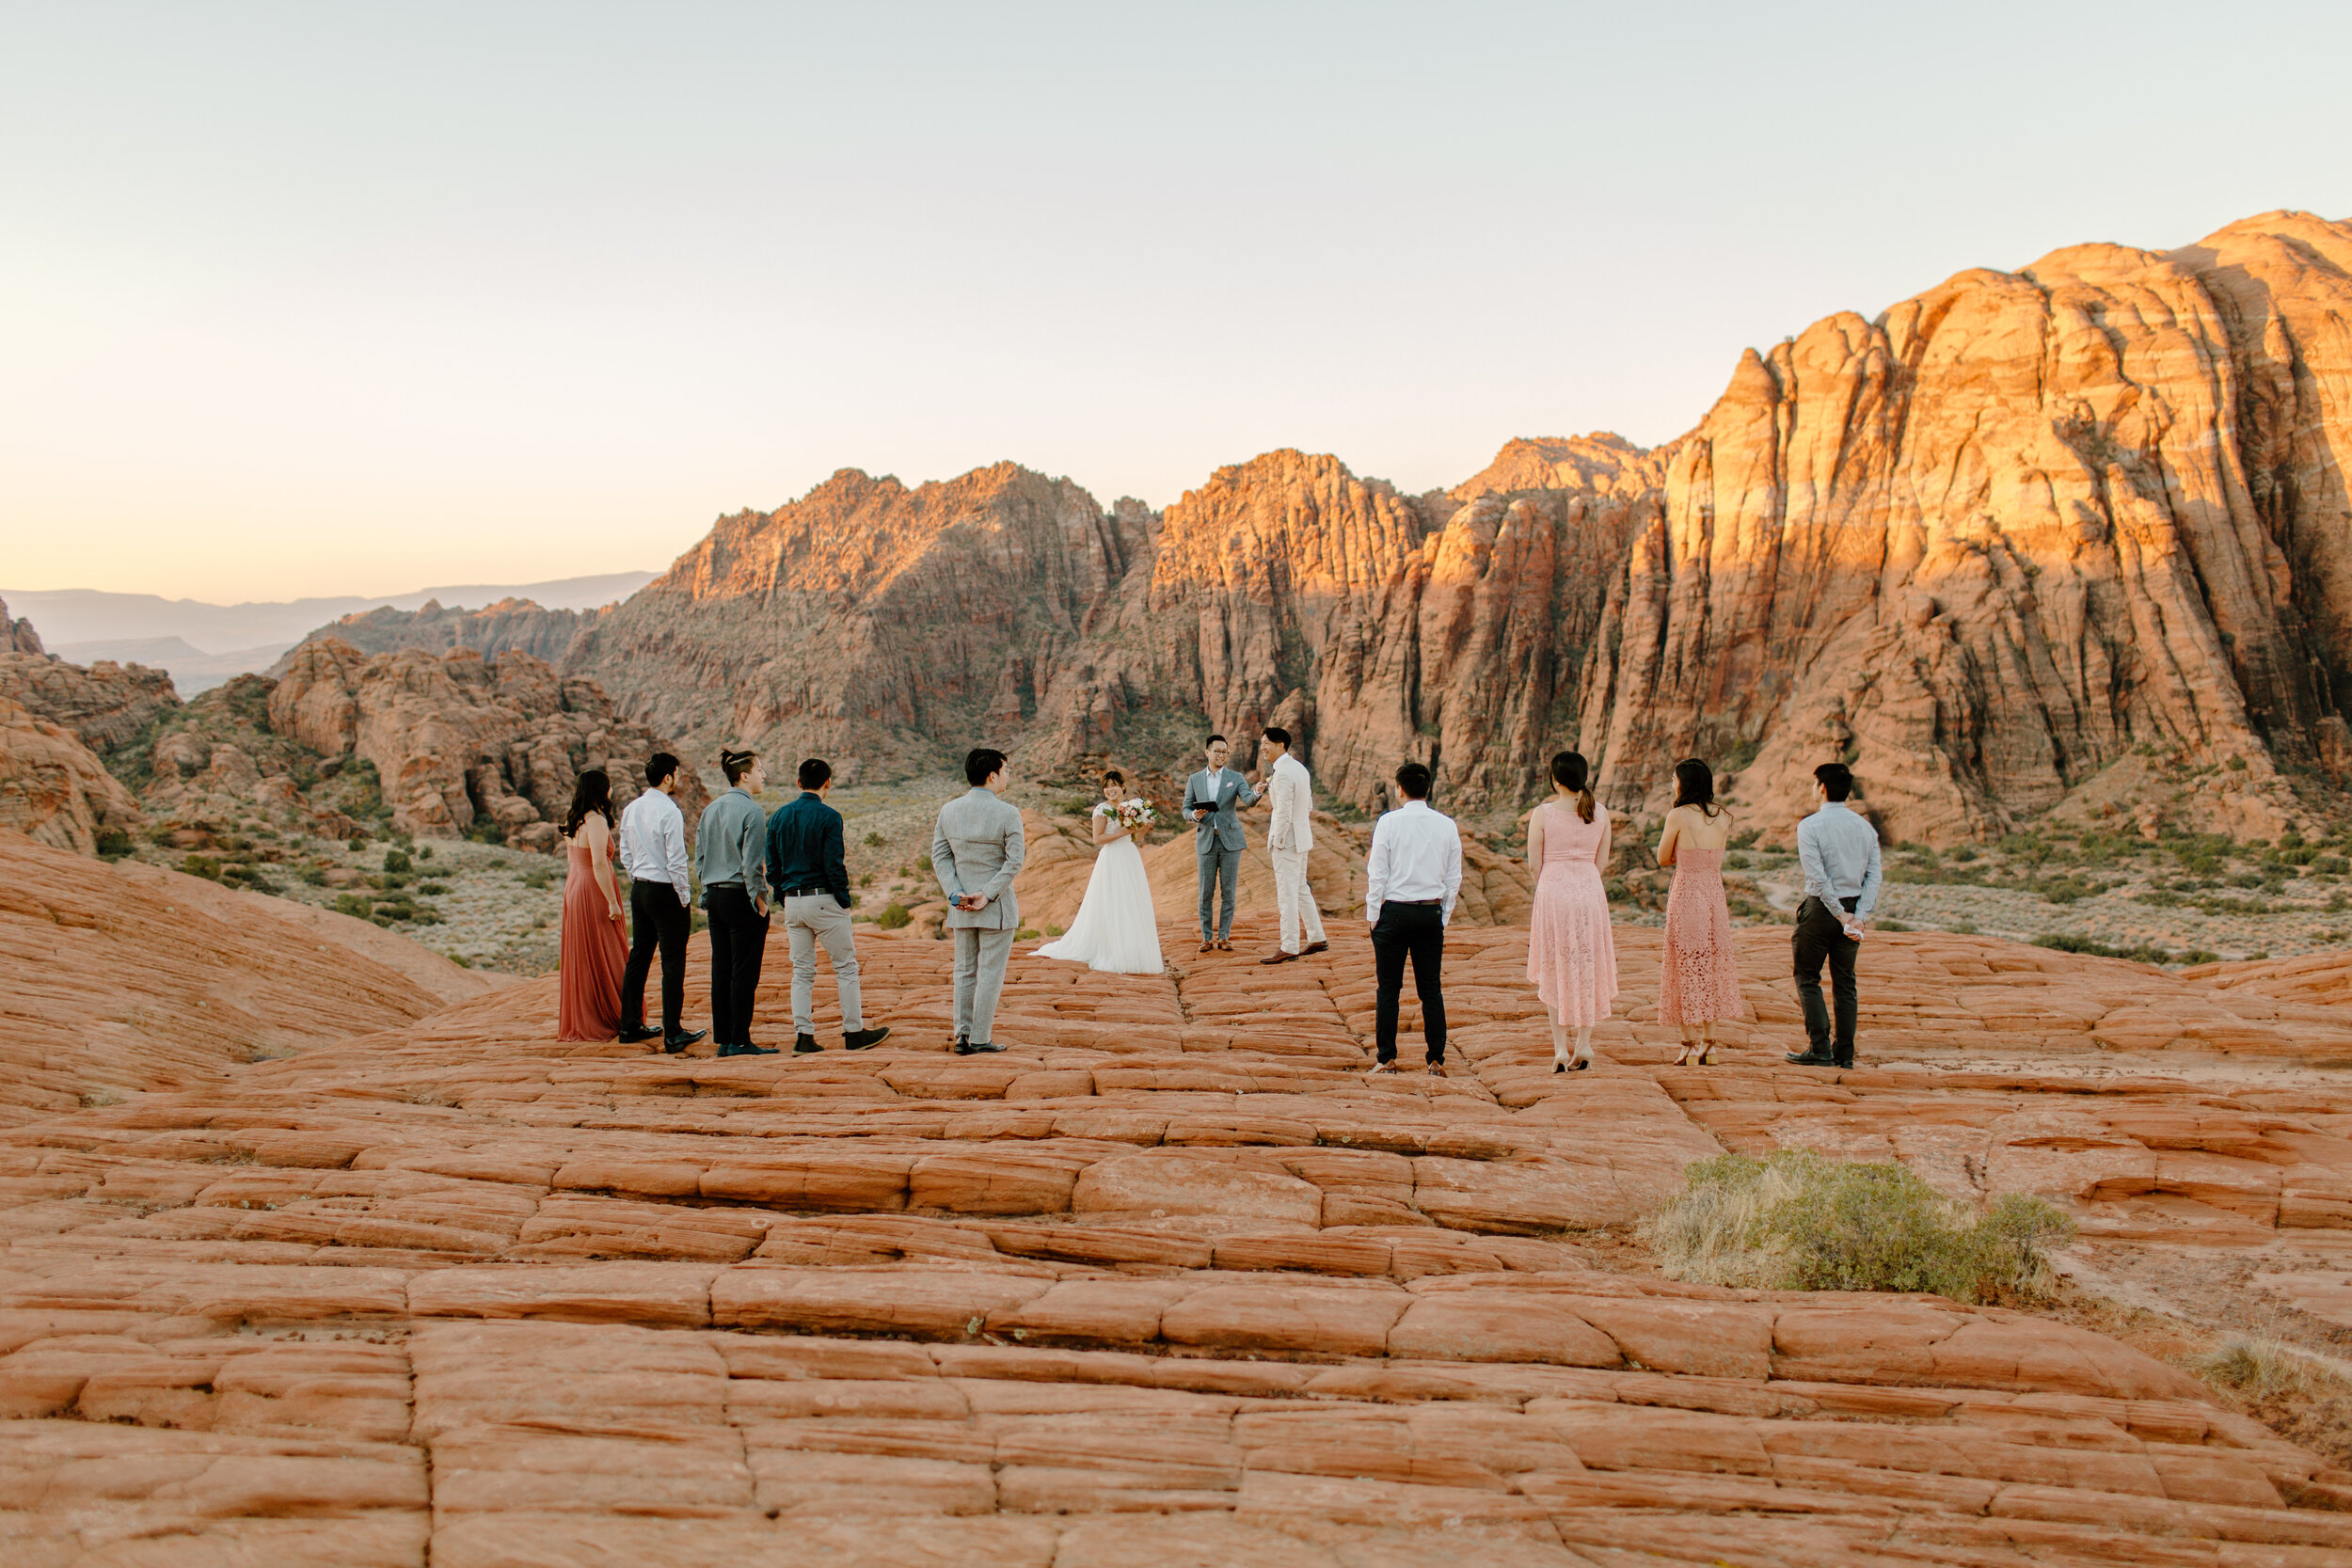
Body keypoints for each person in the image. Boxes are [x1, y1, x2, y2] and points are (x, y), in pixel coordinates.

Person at [766, 756, 891, 1053]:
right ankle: (853, 1032)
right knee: (845, 967)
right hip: (823, 899)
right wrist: (844, 901)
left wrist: (782, 897)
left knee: (802, 971)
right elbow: (834, 863)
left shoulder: (778, 817)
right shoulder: (830, 816)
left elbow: (772, 866)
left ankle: (804, 1036)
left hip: (793, 902)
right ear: (828, 783)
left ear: (798, 783)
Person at [1365, 760, 1462, 1077]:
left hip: (1393, 913)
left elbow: (1377, 873)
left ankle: (1387, 1059)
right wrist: (1443, 916)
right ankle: (1435, 1059)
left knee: (1388, 990)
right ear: (1428, 789)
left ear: (1400, 790)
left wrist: (1372, 914)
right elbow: (1453, 878)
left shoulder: (1388, 822)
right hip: (1430, 913)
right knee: (1430, 990)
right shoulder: (1446, 825)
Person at [1787, 762, 1883, 1069]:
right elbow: (1874, 875)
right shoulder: (1865, 828)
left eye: (1815, 784)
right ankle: (1844, 1055)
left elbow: (1817, 878)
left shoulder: (1810, 826)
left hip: (1821, 910)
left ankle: (1819, 1048)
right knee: (1845, 983)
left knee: (1807, 977)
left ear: (1822, 787)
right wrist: (1860, 915)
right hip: (1853, 909)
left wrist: (1840, 915)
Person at [1525, 751, 1616, 1071]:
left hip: (1554, 892)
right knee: (1587, 965)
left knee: (1556, 967)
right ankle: (1585, 1043)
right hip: (1590, 892)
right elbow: (1601, 862)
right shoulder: (1600, 812)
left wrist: (1550, 883)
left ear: (1555, 779)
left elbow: (1534, 862)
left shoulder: (1543, 813)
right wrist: (1584, 882)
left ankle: (1561, 1050)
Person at [932, 747, 1026, 1054]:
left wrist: (955, 892)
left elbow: (941, 857)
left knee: (964, 970)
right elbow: (1014, 861)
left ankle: (962, 1035)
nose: (1008, 776)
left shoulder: (949, 810)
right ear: (992, 775)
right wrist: (987, 894)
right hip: (996, 906)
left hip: (961, 905)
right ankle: (980, 1038)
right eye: (1006, 770)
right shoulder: (1008, 812)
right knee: (989, 972)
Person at [1035, 768, 1164, 974]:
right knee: (1112, 901)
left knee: (1130, 901)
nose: (1110, 790)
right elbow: (1098, 839)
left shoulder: (1129, 807)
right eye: (1106, 787)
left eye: (1114, 786)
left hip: (1129, 856)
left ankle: (1131, 950)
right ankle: (1112, 950)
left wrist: (1145, 828)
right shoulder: (1101, 809)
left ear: (1123, 787)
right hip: (1111, 858)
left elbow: (1132, 837)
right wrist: (1124, 831)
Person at [1656, 757, 1741, 1066]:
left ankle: (1688, 1045)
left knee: (1684, 966)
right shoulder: (1723, 816)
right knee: (1710, 965)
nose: (1672, 784)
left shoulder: (1677, 815)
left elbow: (1663, 857)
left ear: (1684, 783)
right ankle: (1710, 1043)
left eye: (1674, 779)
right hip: (1714, 895)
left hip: (1687, 892)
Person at [618, 752, 705, 1052]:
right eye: (677, 774)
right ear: (668, 777)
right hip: (665, 891)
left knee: (639, 956)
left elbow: (625, 852)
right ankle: (673, 1032)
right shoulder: (669, 811)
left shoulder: (631, 809)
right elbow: (677, 860)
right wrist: (684, 896)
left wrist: (637, 878)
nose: (677, 779)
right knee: (672, 962)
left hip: (640, 889)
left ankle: (629, 1026)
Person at [695, 748, 773, 1057]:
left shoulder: (710, 809)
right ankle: (740, 1040)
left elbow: (700, 858)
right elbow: (752, 864)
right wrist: (761, 900)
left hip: (715, 895)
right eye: (759, 770)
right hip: (741, 896)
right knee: (744, 971)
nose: (763, 776)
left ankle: (725, 1040)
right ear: (744, 775)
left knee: (721, 968)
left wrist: (705, 893)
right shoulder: (752, 811)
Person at [555, 768, 629, 1041]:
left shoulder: (572, 819)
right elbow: (599, 862)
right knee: (606, 950)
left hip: (574, 884)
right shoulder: (596, 820)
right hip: (593, 888)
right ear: (601, 789)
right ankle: (608, 1015)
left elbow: (573, 860)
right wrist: (612, 901)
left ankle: (587, 1014)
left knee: (585, 953)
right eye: (609, 785)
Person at [1183, 734, 1261, 953]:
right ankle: (1206, 938)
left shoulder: (1236, 777)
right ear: (1207, 752)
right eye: (1217, 751)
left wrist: (1257, 792)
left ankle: (1224, 937)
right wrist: (1194, 816)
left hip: (1231, 842)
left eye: (1225, 752)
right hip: (1206, 840)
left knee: (1229, 892)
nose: (1221, 755)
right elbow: (1185, 808)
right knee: (1205, 892)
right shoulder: (1195, 779)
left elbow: (1248, 799)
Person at [1258, 727, 1328, 965]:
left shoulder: (1284, 773)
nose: (1263, 748)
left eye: (1267, 743)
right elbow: (1307, 804)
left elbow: (1283, 810)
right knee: (1300, 888)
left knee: (1287, 893)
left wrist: (1277, 840)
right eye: (1261, 744)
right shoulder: (1299, 768)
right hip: (1301, 836)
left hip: (1287, 840)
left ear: (1281, 745)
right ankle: (1317, 937)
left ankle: (1289, 945)